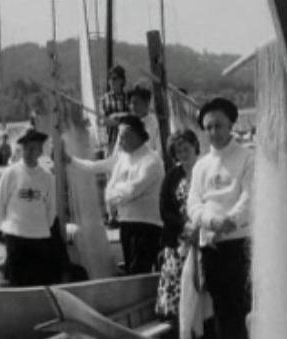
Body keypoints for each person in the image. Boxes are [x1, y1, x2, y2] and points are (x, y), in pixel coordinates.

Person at [186, 97, 253, 339]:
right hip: (210, 246)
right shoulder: (201, 166)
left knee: (240, 307)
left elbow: (249, 198)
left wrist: (227, 222)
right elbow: (193, 204)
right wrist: (211, 222)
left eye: (219, 125)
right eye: (208, 127)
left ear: (230, 125)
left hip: (238, 242)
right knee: (218, 306)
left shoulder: (247, 157)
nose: (213, 132)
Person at [69, 116, 165, 274]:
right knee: (130, 267)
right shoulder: (123, 158)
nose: (119, 141)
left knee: (140, 270)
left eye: (122, 136)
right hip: (126, 222)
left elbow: (130, 191)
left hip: (147, 225)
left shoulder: (152, 161)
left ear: (135, 135)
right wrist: (71, 160)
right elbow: (98, 170)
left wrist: (116, 192)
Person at [0, 129, 57, 286]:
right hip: (15, 235)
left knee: (38, 280)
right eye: (26, 148)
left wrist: (42, 226)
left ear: (40, 151)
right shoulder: (10, 173)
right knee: (17, 281)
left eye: (33, 148)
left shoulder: (47, 177)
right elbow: (0, 202)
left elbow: (51, 208)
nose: (29, 152)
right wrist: (4, 226)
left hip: (39, 236)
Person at [155, 130, 200, 333]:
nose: (183, 152)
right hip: (179, 239)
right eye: (178, 150)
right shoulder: (172, 176)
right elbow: (165, 209)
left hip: (203, 235)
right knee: (177, 283)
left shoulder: (204, 168)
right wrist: (184, 227)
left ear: (194, 146)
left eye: (186, 147)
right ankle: (177, 328)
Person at [100, 65, 130, 151]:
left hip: (127, 143)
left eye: (114, 78)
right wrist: (123, 120)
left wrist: (114, 118)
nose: (111, 81)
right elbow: (102, 121)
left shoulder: (129, 98)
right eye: (110, 78)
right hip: (111, 143)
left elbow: (133, 118)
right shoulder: (104, 100)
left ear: (122, 80)